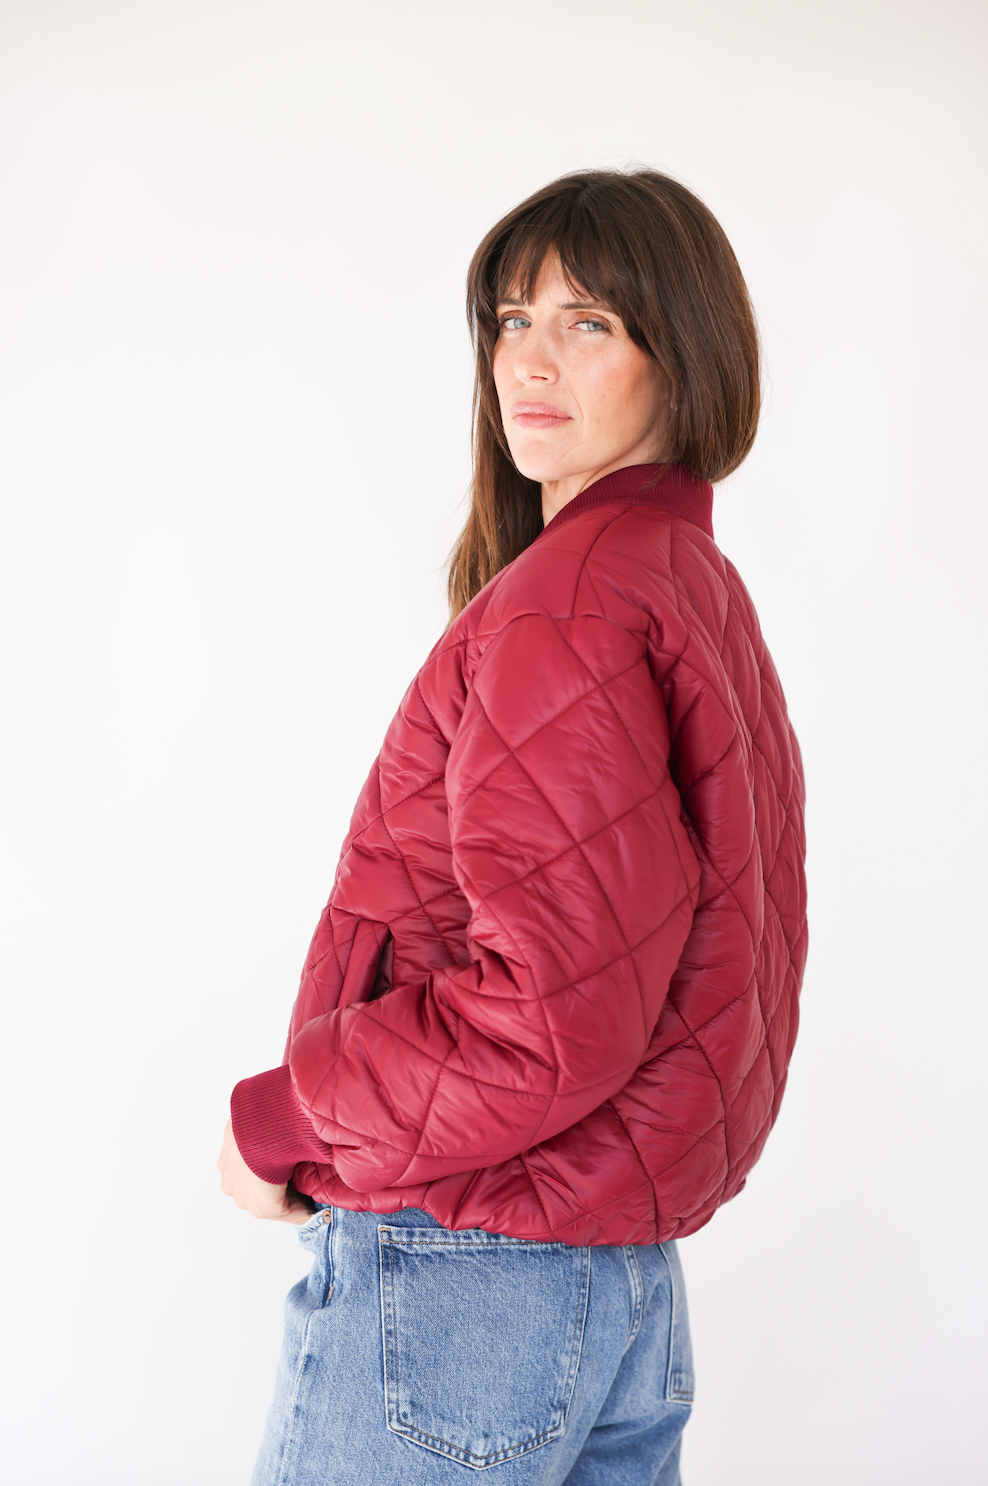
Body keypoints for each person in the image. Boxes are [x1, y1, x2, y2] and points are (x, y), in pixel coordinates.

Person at [217, 168, 808, 1486]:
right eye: (511, 318)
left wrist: (283, 1117)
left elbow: (549, 1014)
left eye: (588, 321)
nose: (528, 360)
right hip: (620, 1284)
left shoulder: (571, 605)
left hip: (467, 1276)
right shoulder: (686, 585)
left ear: (681, 353)